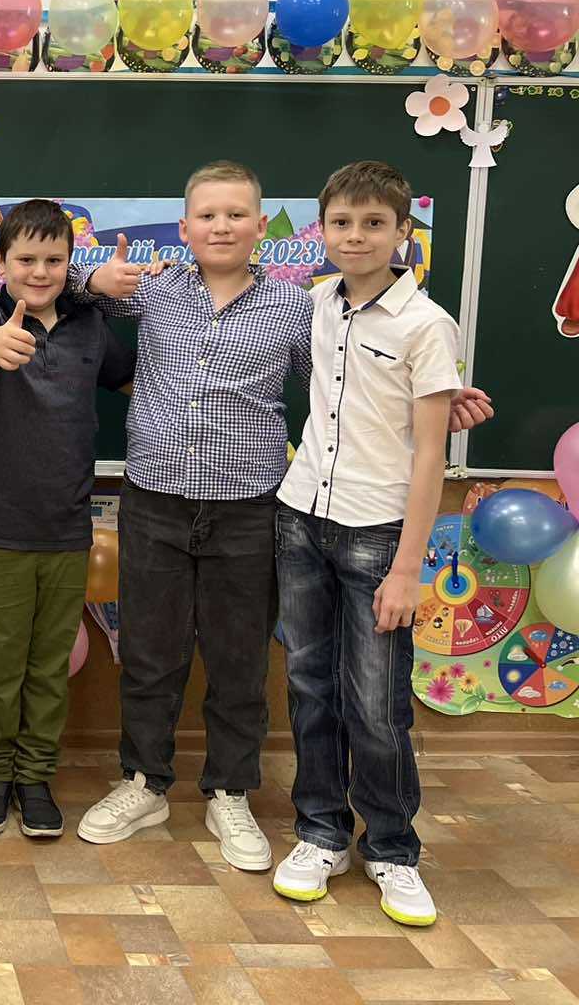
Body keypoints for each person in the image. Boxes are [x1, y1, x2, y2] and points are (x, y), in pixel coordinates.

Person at [72, 162, 491, 871]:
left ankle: (230, 791)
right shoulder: (153, 290)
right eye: (208, 215)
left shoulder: (301, 309)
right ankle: (143, 783)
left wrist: (437, 400)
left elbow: (348, 383)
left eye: (237, 214)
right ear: (184, 228)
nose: (222, 226)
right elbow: (57, 287)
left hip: (252, 508)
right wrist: (91, 279)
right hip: (153, 501)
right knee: (149, 654)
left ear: (261, 227)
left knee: (239, 660)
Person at [271, 162, 461, 926]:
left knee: (377, 704)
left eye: (374, 224)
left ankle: (391, 847)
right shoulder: (317, 304)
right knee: (309, 687)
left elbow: (430, 453)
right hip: (300, 519)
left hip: (379, 535)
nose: (356, 237)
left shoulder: (426, 324)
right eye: (342, 223)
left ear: (402, 232)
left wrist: (408, 569)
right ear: (323, 230)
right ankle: (321, 833)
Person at [0, 200, 134, 839]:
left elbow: (138, 382)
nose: (39, 271)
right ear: (1, 262)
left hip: (67, 527)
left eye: (54, 260)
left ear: (70, 263)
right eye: (25, 259)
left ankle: (35, 777)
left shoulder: (90, 326)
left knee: (49, 665)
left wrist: (92, 289)